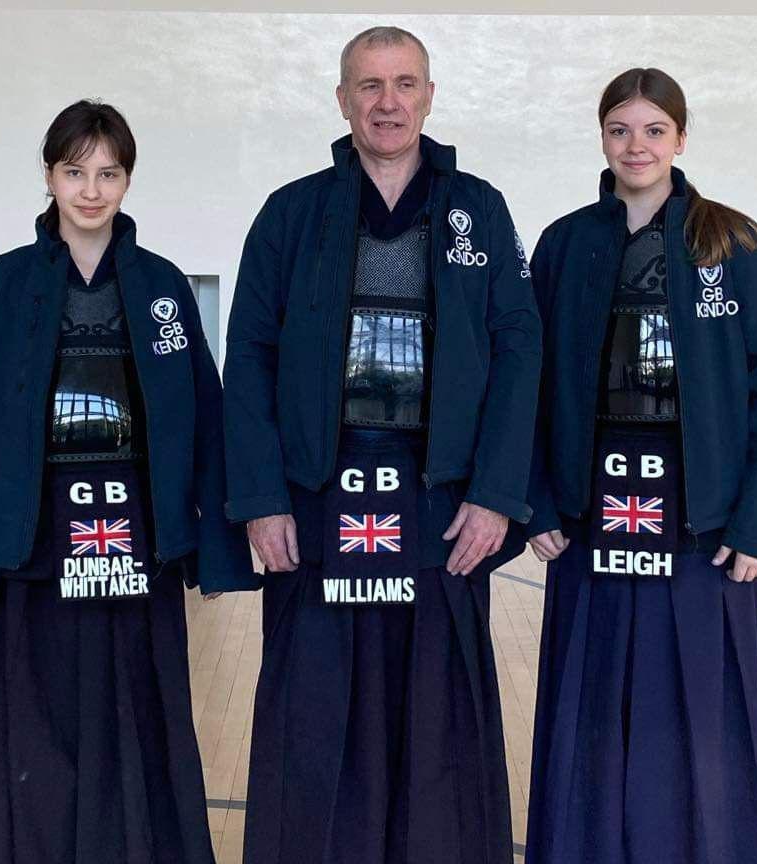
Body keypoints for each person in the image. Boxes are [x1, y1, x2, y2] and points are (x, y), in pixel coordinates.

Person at [222, 26, 541, 864]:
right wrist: (259, 497)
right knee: (314, 712)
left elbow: (520, 352)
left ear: (429, 96)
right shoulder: (292, 213)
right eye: (370, 85)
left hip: (440, 502)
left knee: (438, 714)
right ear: (342, 100)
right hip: (317, 499)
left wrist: (498, 493)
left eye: (404, 84)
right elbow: (248, 353)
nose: (388, 102)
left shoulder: (479, 208)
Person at [0, 99, 253, 864]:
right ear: (49, 176)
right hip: (29, 545)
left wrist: (215, 550)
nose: (92, 190)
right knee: (33, 720)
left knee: (142, 711)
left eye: (108, 172)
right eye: (76, 171)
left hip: (137, 542)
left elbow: (204, 419)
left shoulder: (163, 286)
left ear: (128, 179)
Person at [523, 68, 757, 864]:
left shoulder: (731, 240)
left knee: (701, 709)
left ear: (680, 138)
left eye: (652, 130)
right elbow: (528, 383)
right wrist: (537, 501)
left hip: (701, 513)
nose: (635, 145)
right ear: (602, 138)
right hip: (592, 503)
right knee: (593, 696)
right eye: (620, 129)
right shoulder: (566, 243)